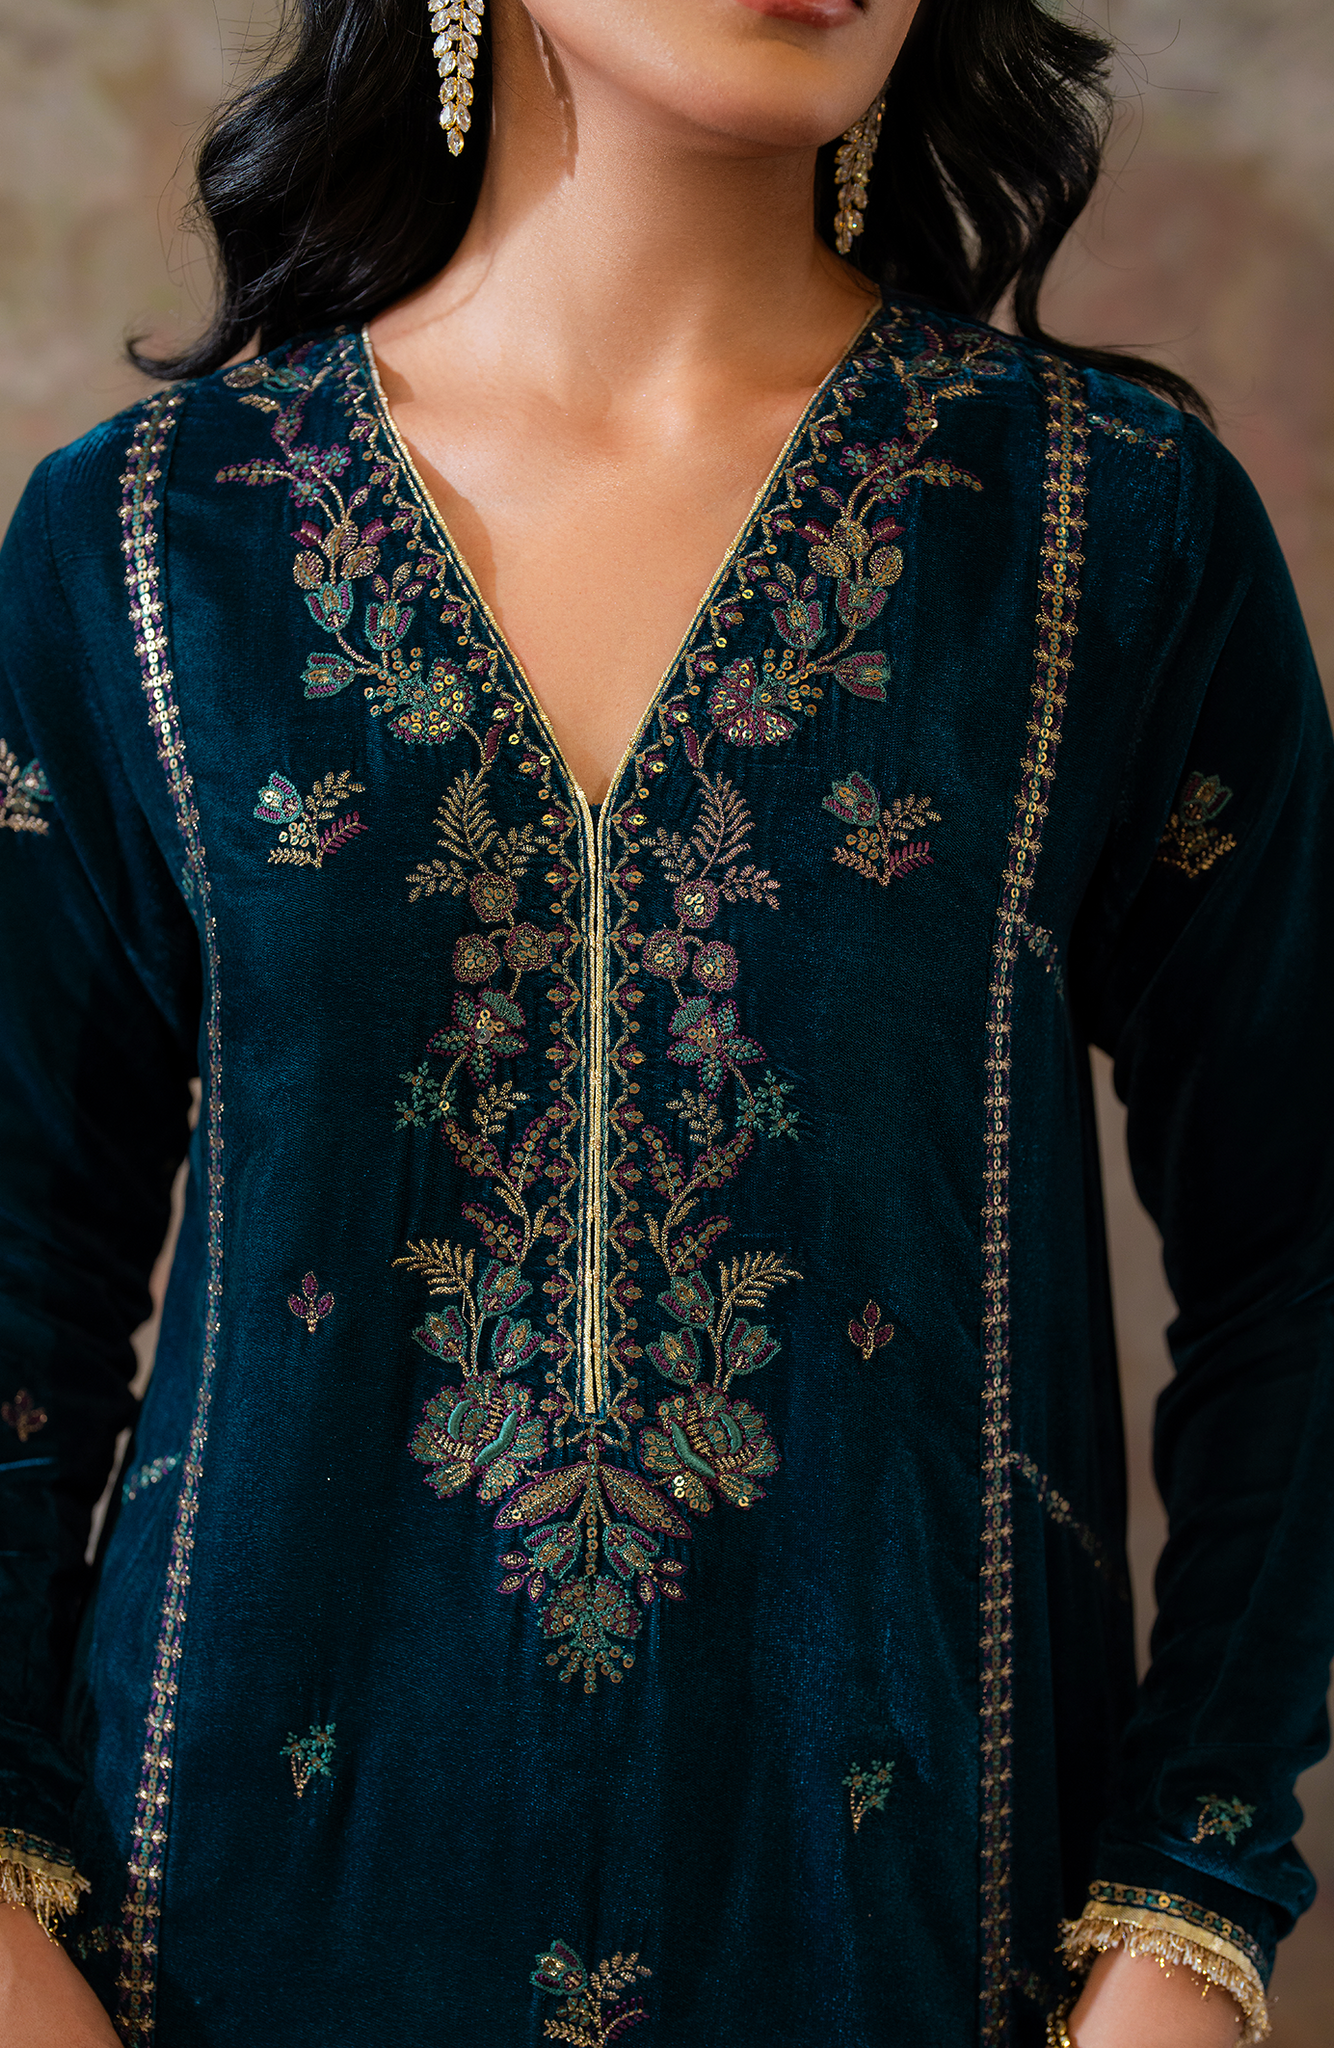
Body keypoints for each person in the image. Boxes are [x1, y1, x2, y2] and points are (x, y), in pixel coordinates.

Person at [0, 0, 1330, 2042]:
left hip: (918, 1944)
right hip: (217, 1948)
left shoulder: (1100, 532)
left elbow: (1296, 1252)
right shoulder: (154, 548)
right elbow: (18, 1264)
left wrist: (1187, 1913)